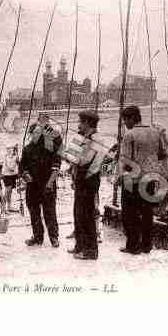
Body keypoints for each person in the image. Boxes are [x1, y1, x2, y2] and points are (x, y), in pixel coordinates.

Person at [118, 106, 168, 255]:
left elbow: (125, 160)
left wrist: (119, 177)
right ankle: (147, 245)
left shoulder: (129, 135)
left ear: (133, 118)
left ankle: (132, 245)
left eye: (126, 120)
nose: (125, 123)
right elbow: (163, 154)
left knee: (129, 213)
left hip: (131, 179)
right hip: (150, 178)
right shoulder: (155, 132)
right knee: (147, 212)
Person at [20, 114, 61, 247]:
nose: (37, 135)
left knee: (50, 212)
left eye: (39, 132)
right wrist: (25, 175)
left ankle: (54, 237)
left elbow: (56, 165)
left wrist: (50, 182)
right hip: (32, 186)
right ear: (30, 135)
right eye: (34, 133)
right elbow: (22, 167)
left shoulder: (49, 147)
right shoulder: (26, 149)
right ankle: (37, 236)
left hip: (47, 184)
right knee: (34, 212)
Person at [67, 110, 102, 260]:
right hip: (81, 179)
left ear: (87, 123)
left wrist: (71, 156)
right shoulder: (85, 138)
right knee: (78, 213)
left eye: (80, 122)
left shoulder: (95, 140)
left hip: (89, 180)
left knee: (87, 215)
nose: (78, 125)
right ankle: (80, 245)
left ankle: (90, 251)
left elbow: (81, 160)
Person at [2, 144, 19, 212]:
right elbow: (10, 167)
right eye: (12, 149)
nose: (13, 151)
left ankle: (9, 206)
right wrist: (15, 162)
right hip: (7, 175)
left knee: (10, 191)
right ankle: (3, 207)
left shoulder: (15, 156)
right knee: (7, 191)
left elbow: (17, 165)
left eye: (14, 149)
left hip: (13, 175)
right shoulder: (6, 157)